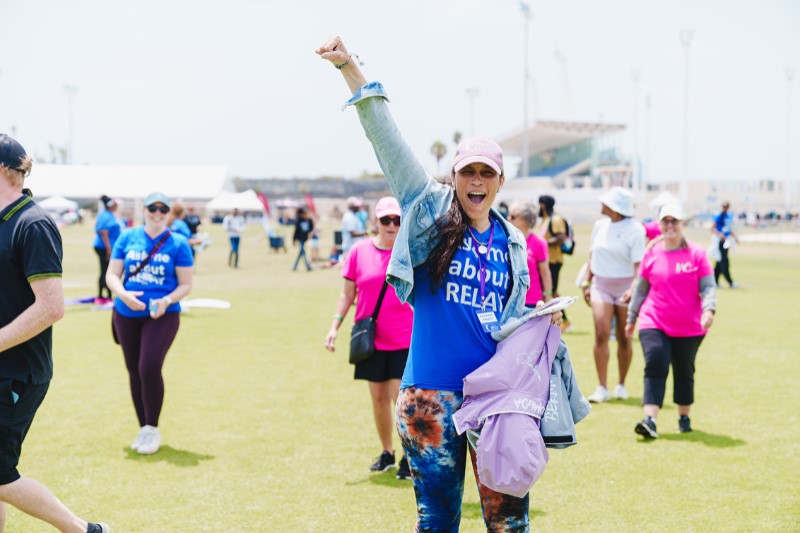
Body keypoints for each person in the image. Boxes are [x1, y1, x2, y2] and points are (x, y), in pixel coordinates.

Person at [318, 36, 561, 531]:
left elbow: (509, 321)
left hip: (495, 401)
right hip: (429, 398)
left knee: (509, 522)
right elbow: (388, 141)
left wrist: (539, 320)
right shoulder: (429, 211)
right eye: (468, 172)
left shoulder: (513, 242)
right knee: (437, 522)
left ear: (500, 182)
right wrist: (350, 69)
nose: (477, 181)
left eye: (487, 173)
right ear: (454, 176)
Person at [0, 134, 110, 532]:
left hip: (17, 371)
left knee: (0, 473)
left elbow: (51, 307)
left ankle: (84, 530)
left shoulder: (34, 224)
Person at [324, 196, 414, 480]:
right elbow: (347, 294)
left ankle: (409, 457)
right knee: (378, 398)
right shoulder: (358, 251)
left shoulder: (409, 252)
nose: (391, 225)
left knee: (400, 400)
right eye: (386, 219)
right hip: (370, 338)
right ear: (375, 221)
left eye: (397, 220)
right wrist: (334, 326)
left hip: (404, 339)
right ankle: (387, 452)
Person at [106, 192, 194, 456]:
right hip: (126, 313)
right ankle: (143, 428)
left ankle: (152, 428)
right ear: (143, 210)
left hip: (162, 314)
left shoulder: (179, 243)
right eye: (152, 208)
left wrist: (167, 300)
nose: (157, 214)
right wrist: (122, 294)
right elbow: (112, 274)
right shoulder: (127, 237)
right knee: (134, 370)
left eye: (163, 209)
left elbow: (186, 284)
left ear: (168, 213)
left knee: (149, 365)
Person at [625, 204, 716, 438]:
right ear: (659, 224)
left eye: (674, 221)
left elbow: (708, 286)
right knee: (655, 362)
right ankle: (650, 420)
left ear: (682, 223)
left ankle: (684, 417)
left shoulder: (696, 254)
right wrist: (631, 318)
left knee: (684, 370)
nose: (669, 226)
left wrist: (709, 310)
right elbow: (641, 290)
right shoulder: (652, 253)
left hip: (690, 325)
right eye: (665, 221)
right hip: (654, 320)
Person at [582, 187, 645, 404]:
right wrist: (587, 282)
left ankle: (621, 384)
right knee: (601, 333)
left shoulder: (635, 229)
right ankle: (601, 387)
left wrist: (633, 289)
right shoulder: (599, 226)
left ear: (615, 208)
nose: (602, 204)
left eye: (606, 202)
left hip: (626, 286)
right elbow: (592, 256)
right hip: (601, 285)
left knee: (624, 337)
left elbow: (638, 266)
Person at [508, 200, 552, 306]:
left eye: (513, 217)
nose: (508, 218)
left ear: (525, 219)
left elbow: (545, 273)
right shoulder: (506, 240)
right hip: (510, 301)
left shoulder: (539, 243)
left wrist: (548, 295)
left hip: (531, 301)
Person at [538, 194, 572, 332]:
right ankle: (561, 321)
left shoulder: (556, 219)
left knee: (550, 291)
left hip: (553, 261)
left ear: (543, 205)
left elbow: (561, 238)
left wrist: (542, 244)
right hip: (546, 261)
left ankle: (564, 321)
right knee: (551, 291)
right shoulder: (546, 220)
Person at [93, 195, 122, 304]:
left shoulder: (109, 214)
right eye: (115, 204)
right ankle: (102, 296)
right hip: (104, 247)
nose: (117, 206)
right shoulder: (105, 216)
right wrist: (109, 250)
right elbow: (104, 233)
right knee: (105, 271)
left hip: (107, 247)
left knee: (106, 270)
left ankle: (107, 295)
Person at [712, 200, 737, 288]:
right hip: (720, 242)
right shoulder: (719, 216)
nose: (725, 208)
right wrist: (720, 235)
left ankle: (715, 281)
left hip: (727, 241)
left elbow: (728, 229)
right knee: (724, 262)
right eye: (724, 206)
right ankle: (730, 282)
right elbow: (712, 228)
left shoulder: (728, 216)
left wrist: (734, 237)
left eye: (726, 206)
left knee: (719, 262)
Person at [292, 207, 315, 271]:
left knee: (301, 252)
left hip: (305, 238)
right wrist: (293, 239)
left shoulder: (308, 220)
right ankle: (308, 266)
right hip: (300, 239)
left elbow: (311, 228)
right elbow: (296, 231)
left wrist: (311, 232)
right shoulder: (298, 220)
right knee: (303, 252)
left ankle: (294, 266)